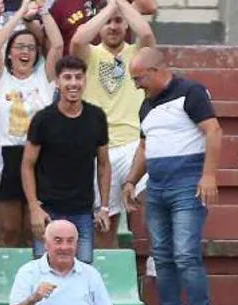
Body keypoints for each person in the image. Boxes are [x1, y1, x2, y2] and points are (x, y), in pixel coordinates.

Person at [124, 48, 222, 305]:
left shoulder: (190, 93)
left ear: (155, 71)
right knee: (163, 257)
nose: (137, 84)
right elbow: (144, 147)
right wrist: (131, 180)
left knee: (185, 255)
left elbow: (214, 131)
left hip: (187, 184)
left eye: (139, 78)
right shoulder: (146, 106)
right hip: (156, 186)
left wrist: (208, 175)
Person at [72, 0, 154, 250]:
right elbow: (77, 40)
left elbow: (147, 34)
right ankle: (109, 280)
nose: (113, 27)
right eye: (108, 22)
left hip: (133, 144)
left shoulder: (135, 54)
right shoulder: (91, 54)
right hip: (100, 150)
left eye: (118, 21)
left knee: (152, 198)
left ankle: (156, 257)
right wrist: (109, 9)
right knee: (105, 222)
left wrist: (120, 4)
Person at [22, 54, 109, 264]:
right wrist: (34, 207)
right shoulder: (43, 119)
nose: (73, 83)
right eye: (67, 77)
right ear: (58, 82)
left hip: (82, 211)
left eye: (78, 77)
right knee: (45, 272)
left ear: (85, 81)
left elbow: (104, 164)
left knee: (83, 271)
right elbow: (27, 165)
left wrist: (103, 207)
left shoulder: (96, 117)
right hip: (47, 211)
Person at [0, 0, 61, 248]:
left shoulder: (44, 79)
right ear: (9, 53)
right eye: (19, 47)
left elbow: (57, 45)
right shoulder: (2, 79)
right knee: (9, 228)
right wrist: (21, 13)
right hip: (8, 156)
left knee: (34, 229)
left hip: (39, 155)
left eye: (31, 48)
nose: (25, 52)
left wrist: (43, 10)